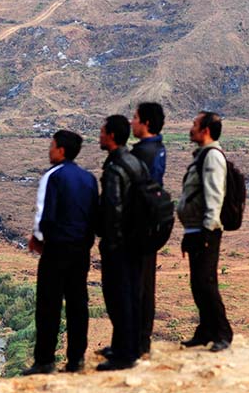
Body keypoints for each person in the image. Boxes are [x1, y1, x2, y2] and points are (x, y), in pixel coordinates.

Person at [22, 130, 99, 375]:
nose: (49, 150)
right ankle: (76, 360)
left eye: (52, 146)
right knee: (78, 304)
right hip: (80, 250)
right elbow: (93, 217)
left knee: (48, 304)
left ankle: (44, 361)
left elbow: (44, 214)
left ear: (62, 150)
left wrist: (37, 239)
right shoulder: (89, 179)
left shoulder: (52, 176)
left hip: (56, 249)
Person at [96, 115, 150, 371]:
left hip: (121, 245)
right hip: (137, 241)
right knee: (130, 295)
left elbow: (113, 209)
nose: (99, 136)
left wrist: (112, 242)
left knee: (119, 297)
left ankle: (124, 355)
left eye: (102, 132)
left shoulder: (116, 168)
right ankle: (126, 346)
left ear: (112, 136)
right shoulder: (135, 162)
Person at [176, 111, 233, 352]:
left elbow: (214, 195)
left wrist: (208, 231)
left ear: (206, 130)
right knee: (198, 284)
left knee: (206, 283)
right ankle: (206, 330)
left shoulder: (212, 157)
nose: (191, 128)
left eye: (195, 124)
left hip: (205, 231)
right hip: (195, 229)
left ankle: (223, 333)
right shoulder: (202, 156)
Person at [130, 102, 167, 357]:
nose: (132, 122)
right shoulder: (158, 149)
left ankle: (138, 342)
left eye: (135, 117)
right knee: (145, 284)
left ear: (146, 123)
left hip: (140, 227)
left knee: (137, 286)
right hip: (150, 226)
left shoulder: (144, 153)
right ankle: (141, 339)